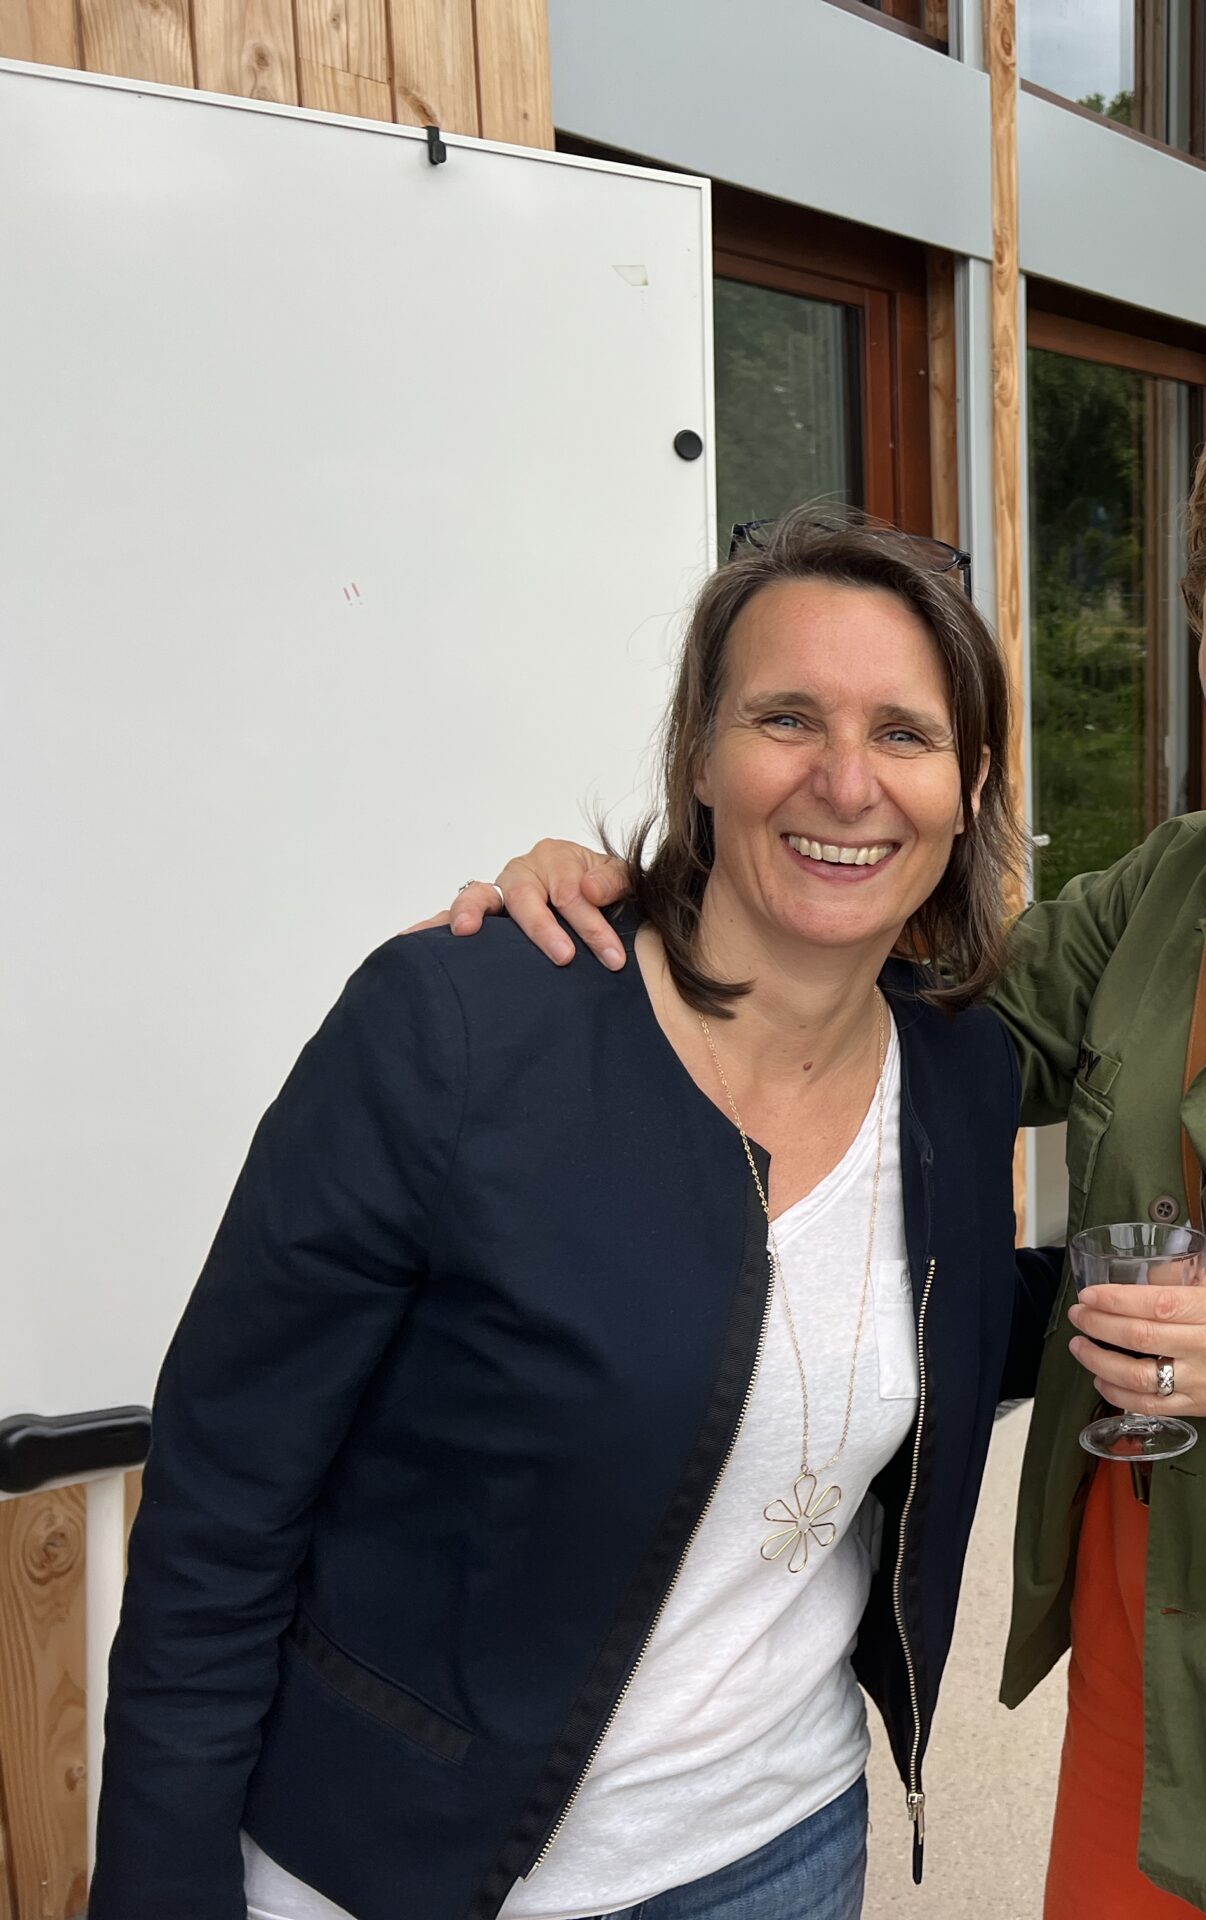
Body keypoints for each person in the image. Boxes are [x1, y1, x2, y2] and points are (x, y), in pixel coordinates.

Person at [447, 359, 1206, 1920]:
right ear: (1201, 603)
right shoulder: (1164, 892)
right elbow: (897, 1040)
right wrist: (646, 913)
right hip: (1155, 1654)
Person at [95, 507, 1050, 1920]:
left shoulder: (960, 1075)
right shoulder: (462, 1030)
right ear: (700, 757)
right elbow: (220, 1511)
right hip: (399, 1872)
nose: (846, 782)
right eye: (787, 717)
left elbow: (954, 1313)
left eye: (903, 734)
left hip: (781, 1850)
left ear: (967, 790)